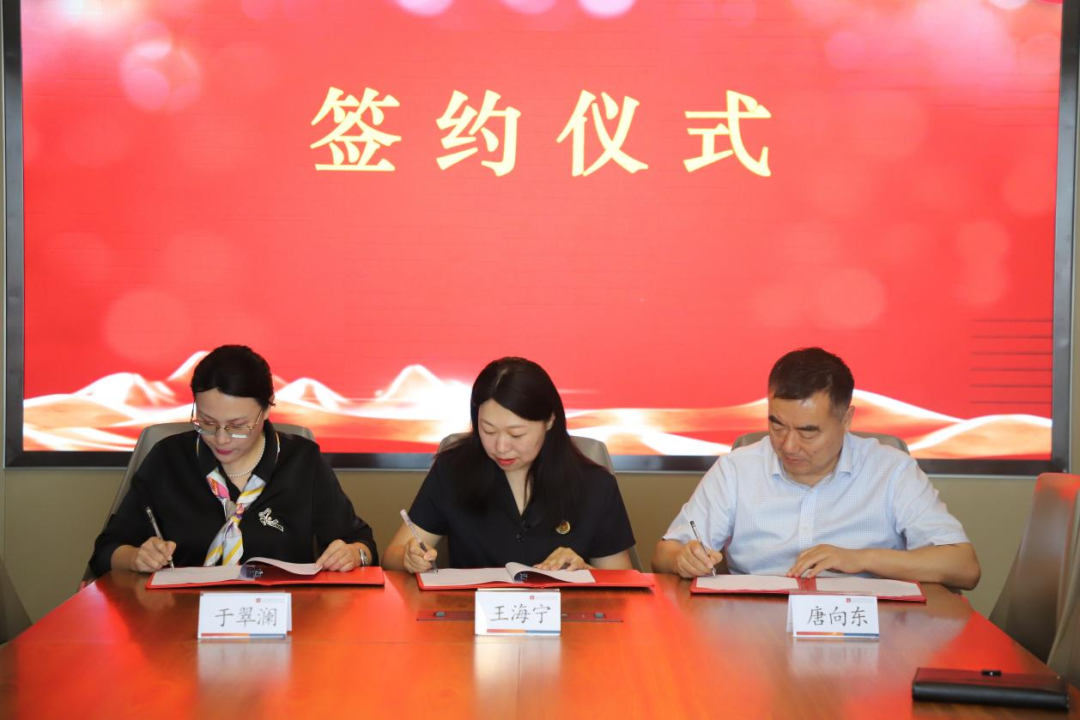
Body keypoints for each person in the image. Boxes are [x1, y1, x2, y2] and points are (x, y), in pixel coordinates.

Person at [652, 347, 981, 590]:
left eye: (808, 432)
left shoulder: (892, 471)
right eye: (777, 425)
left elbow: (964, 568)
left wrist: (860, 559)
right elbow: (665, 553)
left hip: (868, 628)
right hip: (755, 625)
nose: (788, 445)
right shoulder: (737, 469)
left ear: (846, 419)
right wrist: (683, 559)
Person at [89, 345, 376, 575]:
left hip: (280, 617)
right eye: (207, 422)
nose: (221, 438)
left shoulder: (303, 462)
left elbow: (363, 544)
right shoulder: (168, 459)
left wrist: (352, 554)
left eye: (237, 426)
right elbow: (105, 551)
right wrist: (136, 557)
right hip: (181, 618)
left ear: (266, 409)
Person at [383, 357, 635, 572]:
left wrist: (586, 571)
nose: (501, 446)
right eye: (488, 430)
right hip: (471, 614)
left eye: (516, 434)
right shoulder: (453, 470)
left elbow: (622, 582)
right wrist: (409, 557)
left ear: (550, 420)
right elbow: (392, 556)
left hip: (567, 614)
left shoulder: (595, 485)